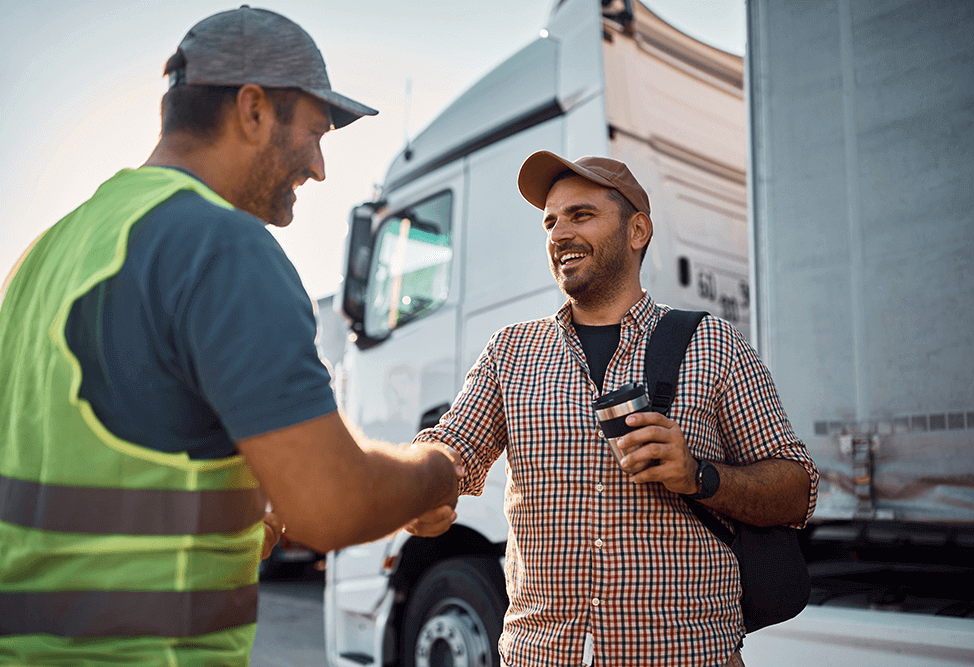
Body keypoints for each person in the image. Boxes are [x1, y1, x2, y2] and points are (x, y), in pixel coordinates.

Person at [0, 7, 460, 666]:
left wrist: (239, 524)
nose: (321, 167)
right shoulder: (220, 245)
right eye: (316, 131)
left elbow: (99, 475)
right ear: (252, 109)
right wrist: (436, 471)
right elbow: (332, 504)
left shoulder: (43, 255)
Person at [407, 151, 820, 666]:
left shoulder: (712, 343)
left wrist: (699, 476)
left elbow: (797, 487)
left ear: (637, 230)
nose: (559, 233)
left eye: (581, 215)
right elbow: (454, 446)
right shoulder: (510, 351)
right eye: (550, 222)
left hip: (688, 656)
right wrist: (419, 487)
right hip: (543, 656)